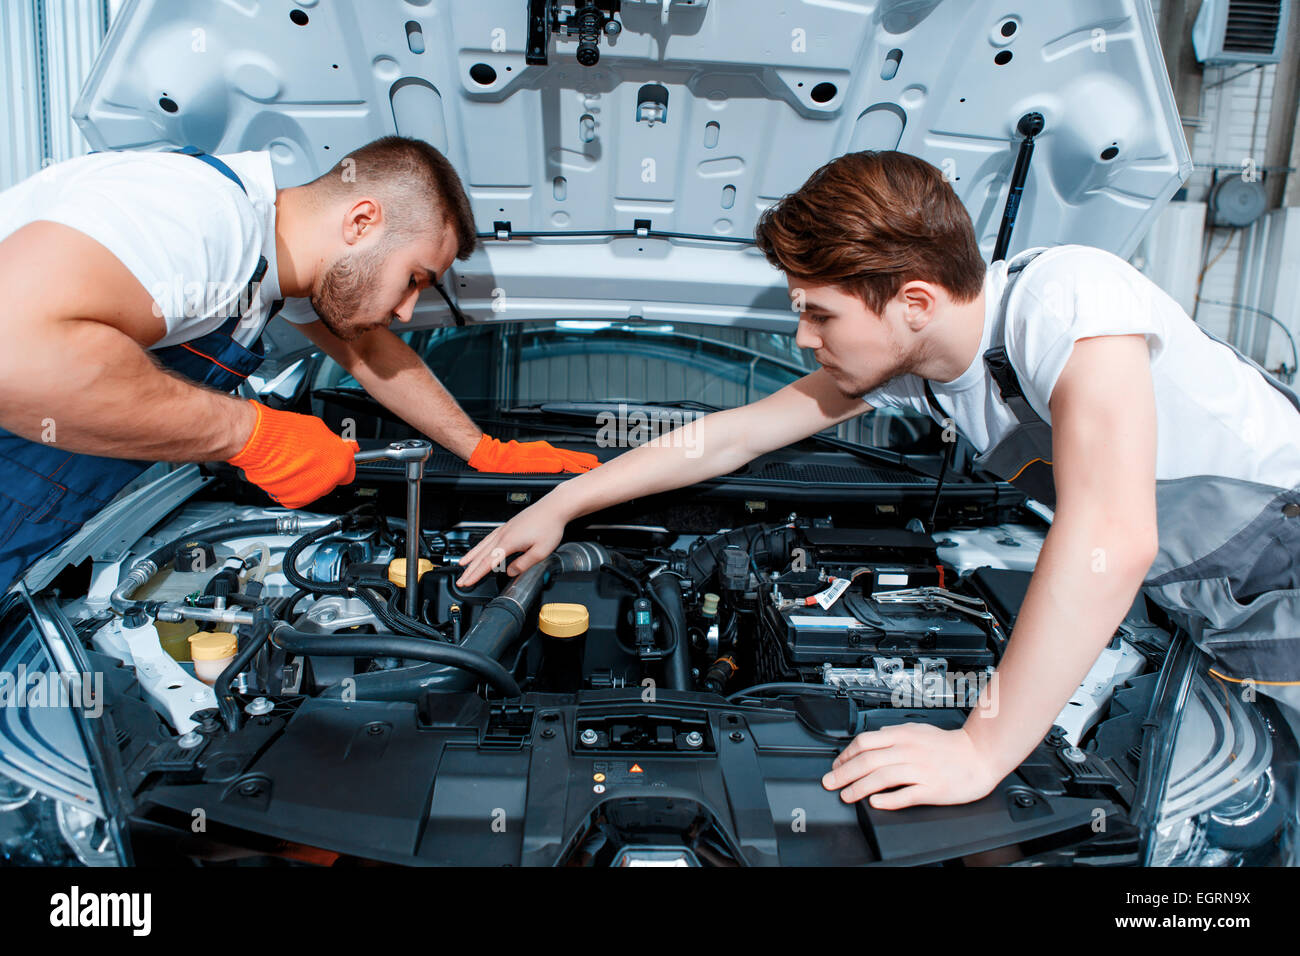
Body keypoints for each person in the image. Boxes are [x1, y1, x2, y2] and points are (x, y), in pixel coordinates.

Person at [454, 150, 1300, 810]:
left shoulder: (1067, 303)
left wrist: (980, 747)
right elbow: (730, 437)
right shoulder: (924, 368)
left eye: (818, 313)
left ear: (916, 303)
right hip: (1211, 599)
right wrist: (563, 501)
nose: (802, 336)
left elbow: (1109, 538)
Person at [0, 135, 597, 589]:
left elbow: (364, 348)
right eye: (414, 279)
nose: (410, 312)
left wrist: (479, 449)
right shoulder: (199, 215)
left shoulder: (269, 273)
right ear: (362, 221)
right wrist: (248, 434)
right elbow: (15, 348)